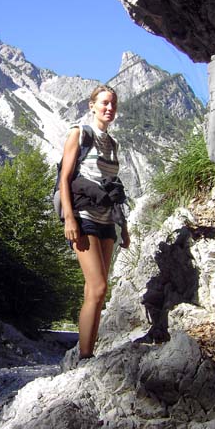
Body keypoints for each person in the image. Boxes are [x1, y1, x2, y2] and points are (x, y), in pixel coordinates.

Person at [59, 85, 130, 361]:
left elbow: (114, 188)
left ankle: (87, 352)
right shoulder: (79, 133)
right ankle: (86, 357)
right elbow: (65, 179)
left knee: (95, 292)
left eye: (113, 104)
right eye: (104, 103)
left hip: (106, 222)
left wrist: (123, 226)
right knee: (98, 286)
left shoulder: (112, 144)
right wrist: (69, 218)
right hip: (84, 218)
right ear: (92, 105)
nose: (109, 108)